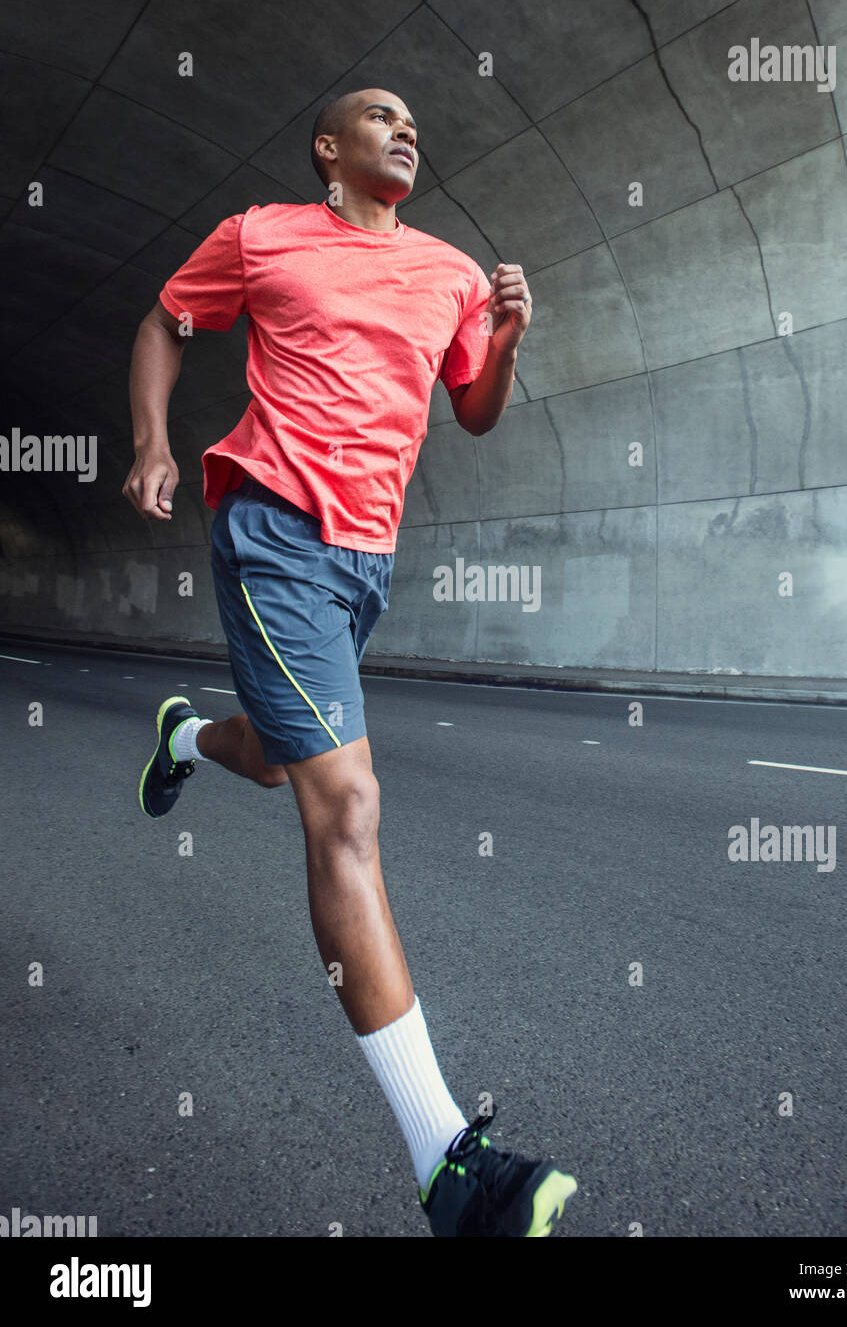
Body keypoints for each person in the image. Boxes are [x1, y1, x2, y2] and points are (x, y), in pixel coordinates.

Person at [123, 88, 577, 1237]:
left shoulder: (454, 274)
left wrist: (509, 340)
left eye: (415, 120)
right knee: (347, 806)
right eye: (381, 114)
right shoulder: (261, 234)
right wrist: (151, 442)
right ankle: (447, 1164)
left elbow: (469, 410)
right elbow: (165, 323)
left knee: (280, 763)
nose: (405, 127)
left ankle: (183, 734)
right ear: (330, 146)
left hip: (365, 559)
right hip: (274, 535)